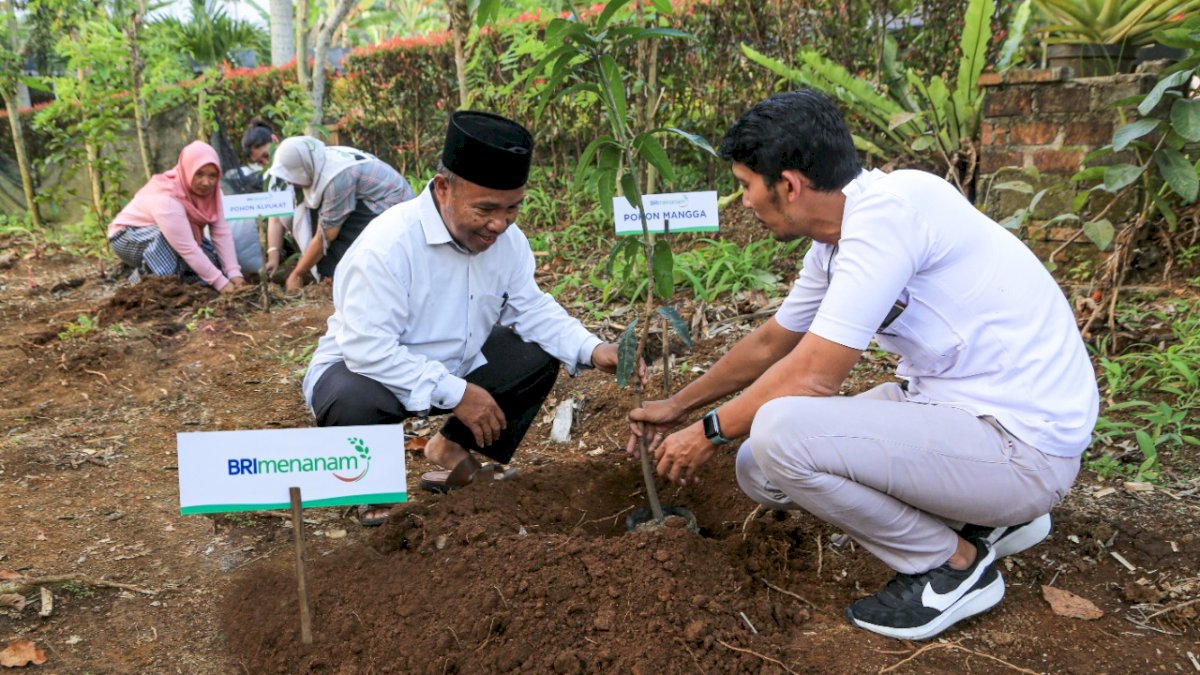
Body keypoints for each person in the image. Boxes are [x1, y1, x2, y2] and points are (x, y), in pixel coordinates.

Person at [626, 90, 1099, 641]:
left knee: (780, 432)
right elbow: (773, 342)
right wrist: (678, 404)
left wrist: (707, 432)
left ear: (790, 185)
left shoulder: (889, 215)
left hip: (1025, 446)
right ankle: (992, 517)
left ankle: (952, 566)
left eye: (745, 185)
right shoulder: (836, 242)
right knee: (758, 464)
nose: (745, 202)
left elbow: (814, 376)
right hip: (960, 413)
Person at [303, 111, 625, 526]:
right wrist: (456, 393)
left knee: (538, 352)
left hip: (454, 367)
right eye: (486, 209)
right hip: (367, 374)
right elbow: (367, 349)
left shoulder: (507, 242)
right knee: (353, 398)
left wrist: (593, 348)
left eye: (513, 209)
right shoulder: (386, 248)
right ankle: (373, 491)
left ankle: (447, 452)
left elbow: (531, 308)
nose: (499, 224)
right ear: (443, 189)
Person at [266, 136, 416, 290]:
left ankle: (351, 279)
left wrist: (297, 273)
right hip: (378, 204)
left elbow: (326, 235)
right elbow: (276, 217)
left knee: (332, 232)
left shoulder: (336, 177)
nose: (291, 183)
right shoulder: (318, 161)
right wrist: (273, 253)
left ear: (304, 168)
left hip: (392, 210)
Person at [108, 141, 245, 293]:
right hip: (127, 237)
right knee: (167, 249)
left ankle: (156, 269)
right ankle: (142, 281)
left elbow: (221, 233)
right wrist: (222, 284)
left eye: (212, 175)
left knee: (213, 262)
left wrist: (234, 274)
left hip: (177, 238)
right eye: (199, 174)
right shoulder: (167, 198)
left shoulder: (215, 193)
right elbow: (187, 248)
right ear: (187, 170)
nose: (206, 182)